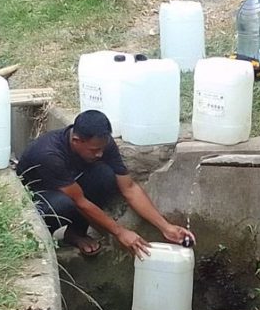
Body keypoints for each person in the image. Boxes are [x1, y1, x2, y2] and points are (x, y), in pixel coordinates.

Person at [16, 110, 195, 260]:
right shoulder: (49, 154)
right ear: (76, 140)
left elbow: (129, 188)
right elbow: (80, 202)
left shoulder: (103, 144)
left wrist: (166, 227)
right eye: (94, 150)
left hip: (69, 189)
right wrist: (120, 232)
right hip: (34, 199)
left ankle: (75, 233)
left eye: (103, 148)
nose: (100, 154)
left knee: (105, 176)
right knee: (64, 203)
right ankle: (44, 242)